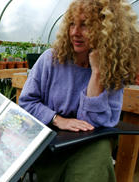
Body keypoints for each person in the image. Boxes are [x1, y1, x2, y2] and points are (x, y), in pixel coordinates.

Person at [19, 0, 139, 181]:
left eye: (85, 25)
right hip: (50, 145)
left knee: (98, 152)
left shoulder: (113, 70)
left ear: (105, 30)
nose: (75, 32)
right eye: (72, 24)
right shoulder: (50, 59)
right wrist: (58, 119)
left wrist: (97, 73)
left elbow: (95, 124)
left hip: (88, 146)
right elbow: (27, 102)